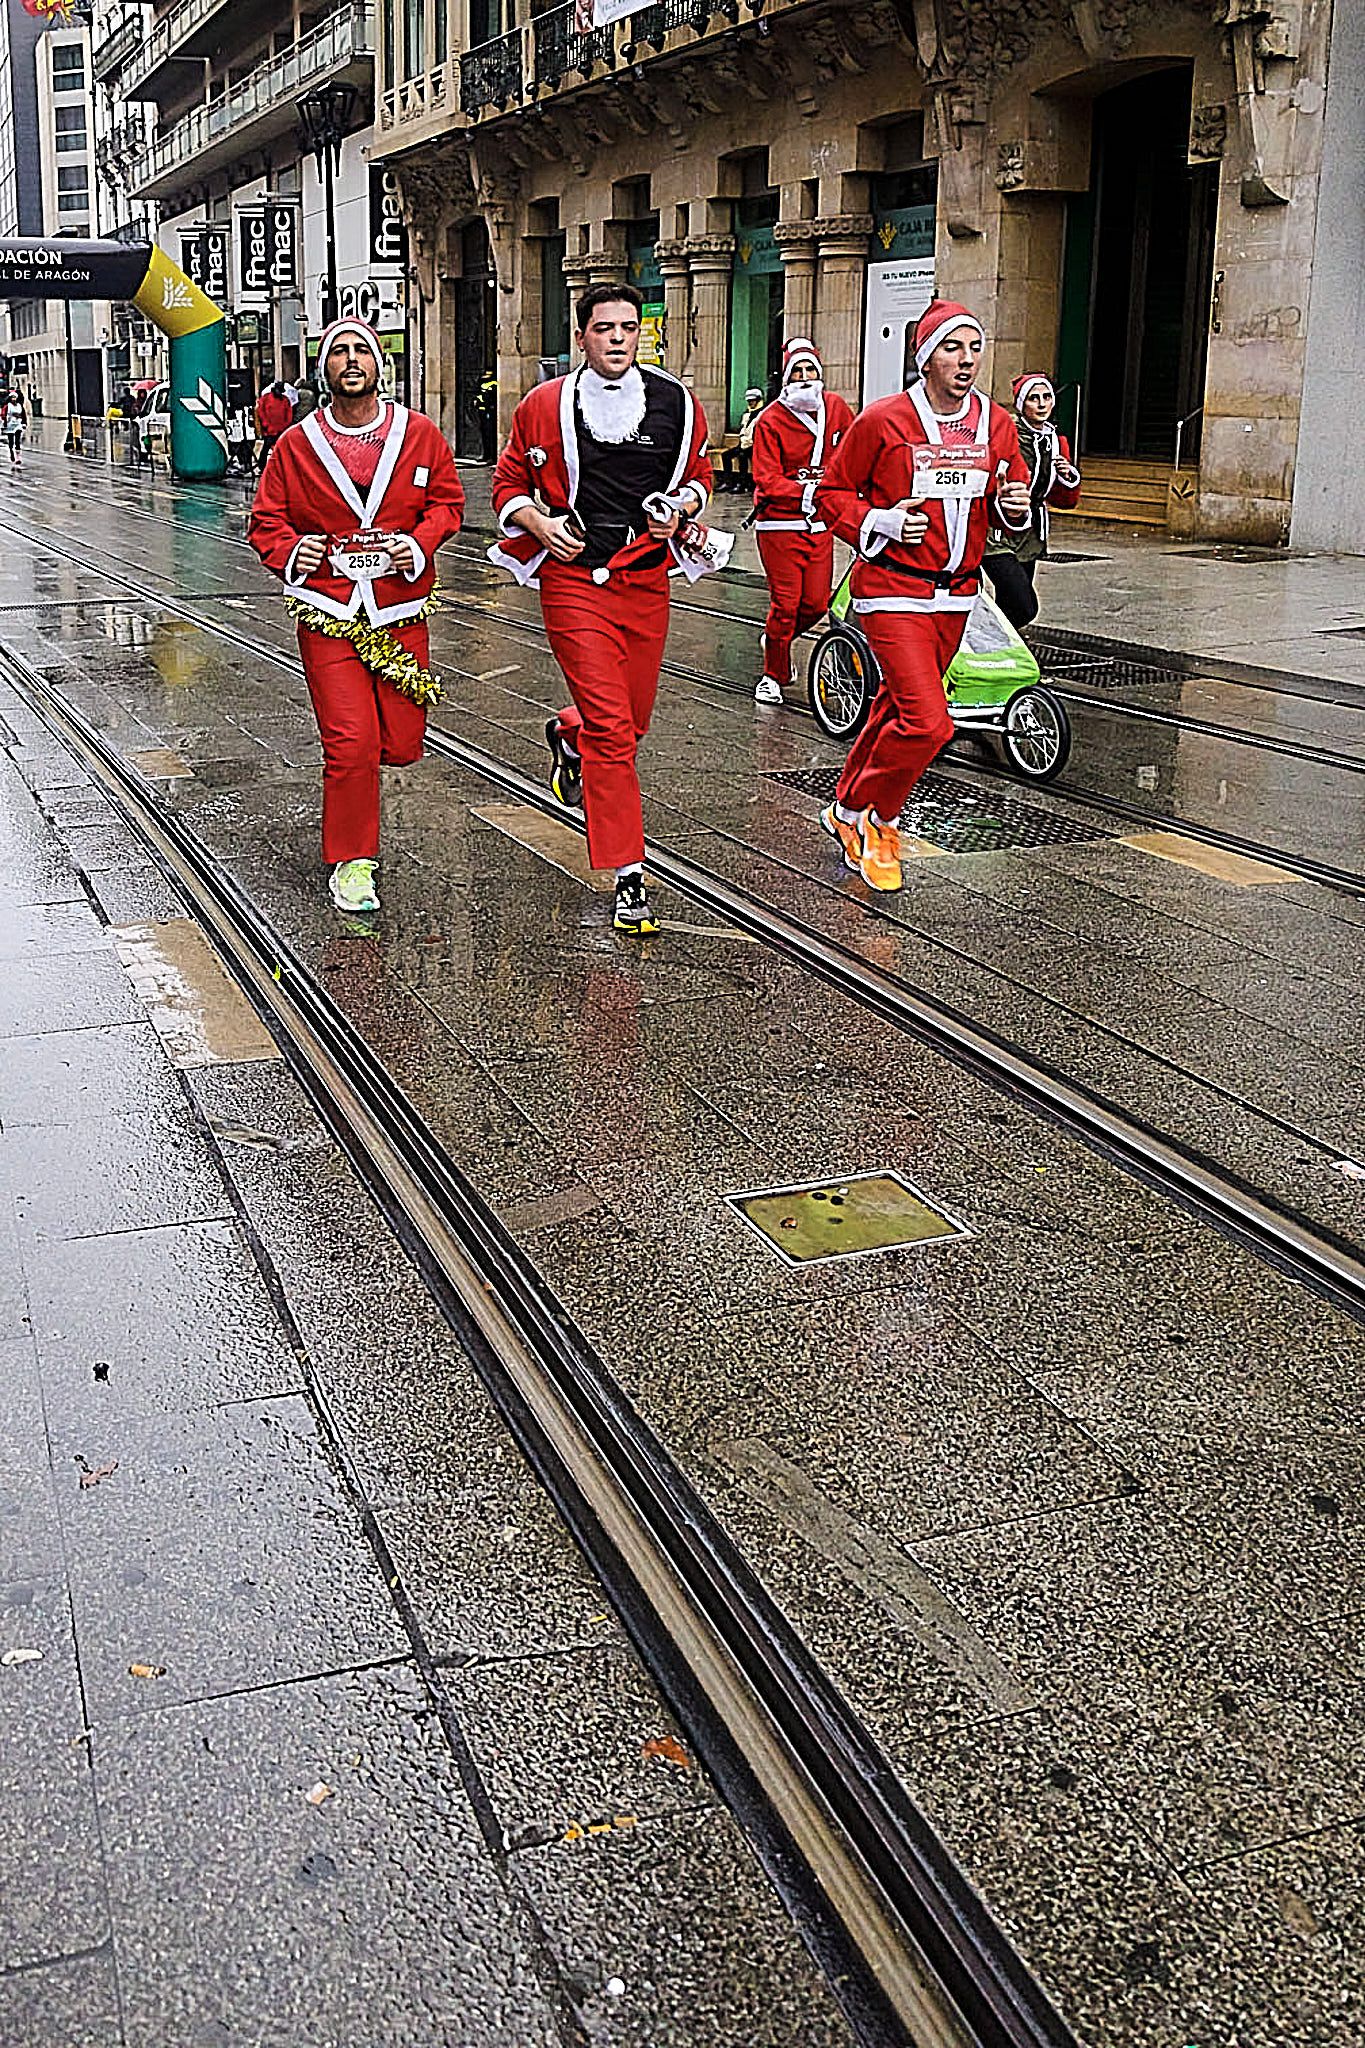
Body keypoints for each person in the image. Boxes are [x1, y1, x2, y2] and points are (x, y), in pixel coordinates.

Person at [489, 281, 713, 934]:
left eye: (627, 327)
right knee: (615, 733)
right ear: (581, 336)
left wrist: (683, 509)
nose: (617, 337)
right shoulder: (543, 406)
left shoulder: (674, 401)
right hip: (574, 581)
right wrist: (535, 522)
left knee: (630, 722)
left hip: (645, 580)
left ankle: (567, 734)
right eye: (603, 327)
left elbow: (698, 476)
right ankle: (628, 874)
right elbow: (507, 481)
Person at [247, 315, 465, 914]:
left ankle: (361, 814)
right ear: (324, 368)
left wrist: (419, 544)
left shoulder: (418, 435)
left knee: (400, 741)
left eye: (360, 351)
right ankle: (352, 860)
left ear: (378, 366)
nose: (350, 360)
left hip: (400, 607)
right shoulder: (295, 444)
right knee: (350, 742)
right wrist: (295, 551)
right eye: (338, 352)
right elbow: (266, 521)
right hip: (327, 610)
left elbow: (447, 503)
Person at [815, 298, 1032, 894]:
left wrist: (1014, 507)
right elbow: (832, 495)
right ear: (925, 358)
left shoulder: (997, 425)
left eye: (973, 348)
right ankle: (882, 819)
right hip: (892, 588)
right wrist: (881, 522)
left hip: (959, 593)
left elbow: (1009, 494)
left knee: (894, 705)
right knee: (930, 722)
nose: (965, 361)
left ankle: (847, 809)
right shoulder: (884, 420)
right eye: (951, 349)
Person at [751, 339, 854, 705]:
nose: (805, 378)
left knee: (815, 604)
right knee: (786, 603)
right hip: (779, 524)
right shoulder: (770, 421)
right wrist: (807, 492)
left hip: (820, 524)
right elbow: (766, 478)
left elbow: (851, 454)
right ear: (786, 377)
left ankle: (776, 639)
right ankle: (773, 674)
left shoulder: (837, 409)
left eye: (811, 371)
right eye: (798, 371)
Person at [982, 373, 1082, 629]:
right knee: (1023, 605)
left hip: (1030, 531)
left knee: (1012, 605)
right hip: (996, 530)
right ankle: (981, 634)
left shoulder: (1057, 443)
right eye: (1033, 398)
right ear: (1021, 404)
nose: (1041, 404)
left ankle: (1000, 652)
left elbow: (1065, 501)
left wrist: (1067, 477)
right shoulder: (1007, 435)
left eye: (1046, 397)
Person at [717, 387, 763, 494]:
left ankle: (741, 484)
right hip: (744, 444)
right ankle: (728, 482)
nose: (751, 403)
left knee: (742, 456)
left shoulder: (762, 414)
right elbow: (743, 430)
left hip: (755, 446)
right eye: (749, 401)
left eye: (753, 400)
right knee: (726, 455)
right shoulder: (747, 414)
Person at [255, 379, 294, 470]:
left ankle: (282, 467)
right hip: (269, 429)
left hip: (281, 430)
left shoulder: (285, 400)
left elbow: (289, 415)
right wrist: (265, 424)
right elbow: (260, 411)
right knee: (266, 448)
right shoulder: (265, 398)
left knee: (282, 450)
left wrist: (285, 427)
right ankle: (262, 466)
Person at [3, 387, 25, 469]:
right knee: (11, 441)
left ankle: (18, 457)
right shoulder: (7, 406)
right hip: (10, 425)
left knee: (18, 441)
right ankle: (12, 452)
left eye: (15, 397)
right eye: (12, 397)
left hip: (18, 424)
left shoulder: (19, 406)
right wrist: (5, 423)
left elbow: (23, 414)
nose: (14, 399)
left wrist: (24, 423)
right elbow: (4, 415)